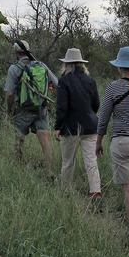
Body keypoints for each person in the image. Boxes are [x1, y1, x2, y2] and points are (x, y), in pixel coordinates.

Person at [96, 46, 129, 229]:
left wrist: (99, 140)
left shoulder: (113, 87)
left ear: (119, 67)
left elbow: (103, 117)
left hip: (122, 141)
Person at [54, 48, 102, 199]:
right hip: (91, 126)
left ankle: (65, 192)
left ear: (67, 64)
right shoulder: (90, 80)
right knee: (91, 161)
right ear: (81, 63)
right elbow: (96, 104)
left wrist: (57, 127)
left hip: (70, 128)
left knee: (68, 162)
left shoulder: (64, 81)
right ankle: (95, 192)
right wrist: (88, 114)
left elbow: (62, 107)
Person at [4, 40, 58, 173]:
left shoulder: (14, 68)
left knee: (18, 139)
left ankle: (17, 168)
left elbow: (10, 93)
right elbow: (57, 83)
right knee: (45, 140)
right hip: (41, 109)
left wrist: (9, 110)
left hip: (23, 110)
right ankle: (49, 171)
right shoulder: (41, 65)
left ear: (17, 53)